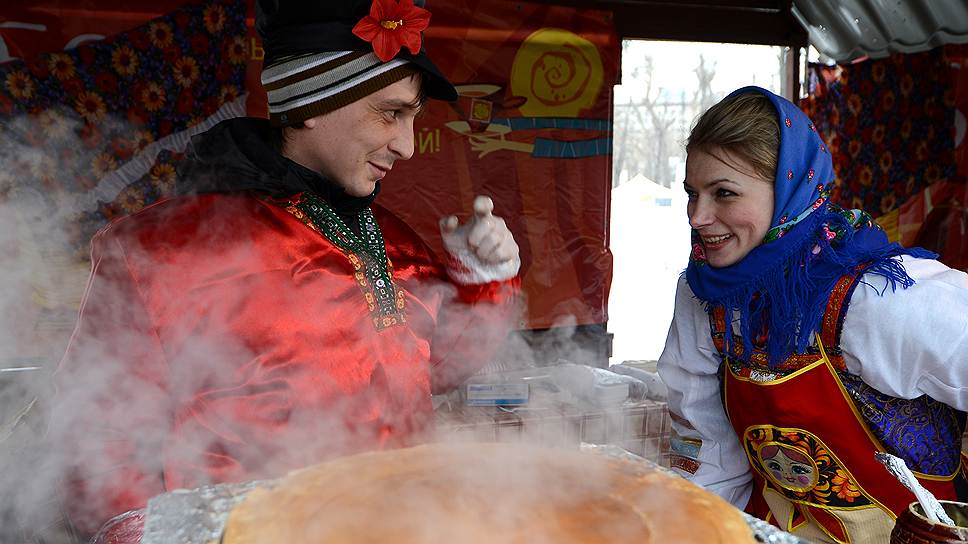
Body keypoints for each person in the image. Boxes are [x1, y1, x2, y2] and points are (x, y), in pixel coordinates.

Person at [51, 0, 521, 537]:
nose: (407, 146)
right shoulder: (156, 251)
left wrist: (484, 285)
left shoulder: (395, 241)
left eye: (414, 117)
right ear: (311, 102)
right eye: (390, 113)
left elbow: (434, 372)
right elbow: (97, 441)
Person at [658, 86, 968, 544]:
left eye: (724, 193)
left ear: (790, 190)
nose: (698, 216)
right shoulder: (704, 296)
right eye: (692, 193)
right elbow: (710, 453)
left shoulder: (880, 297)